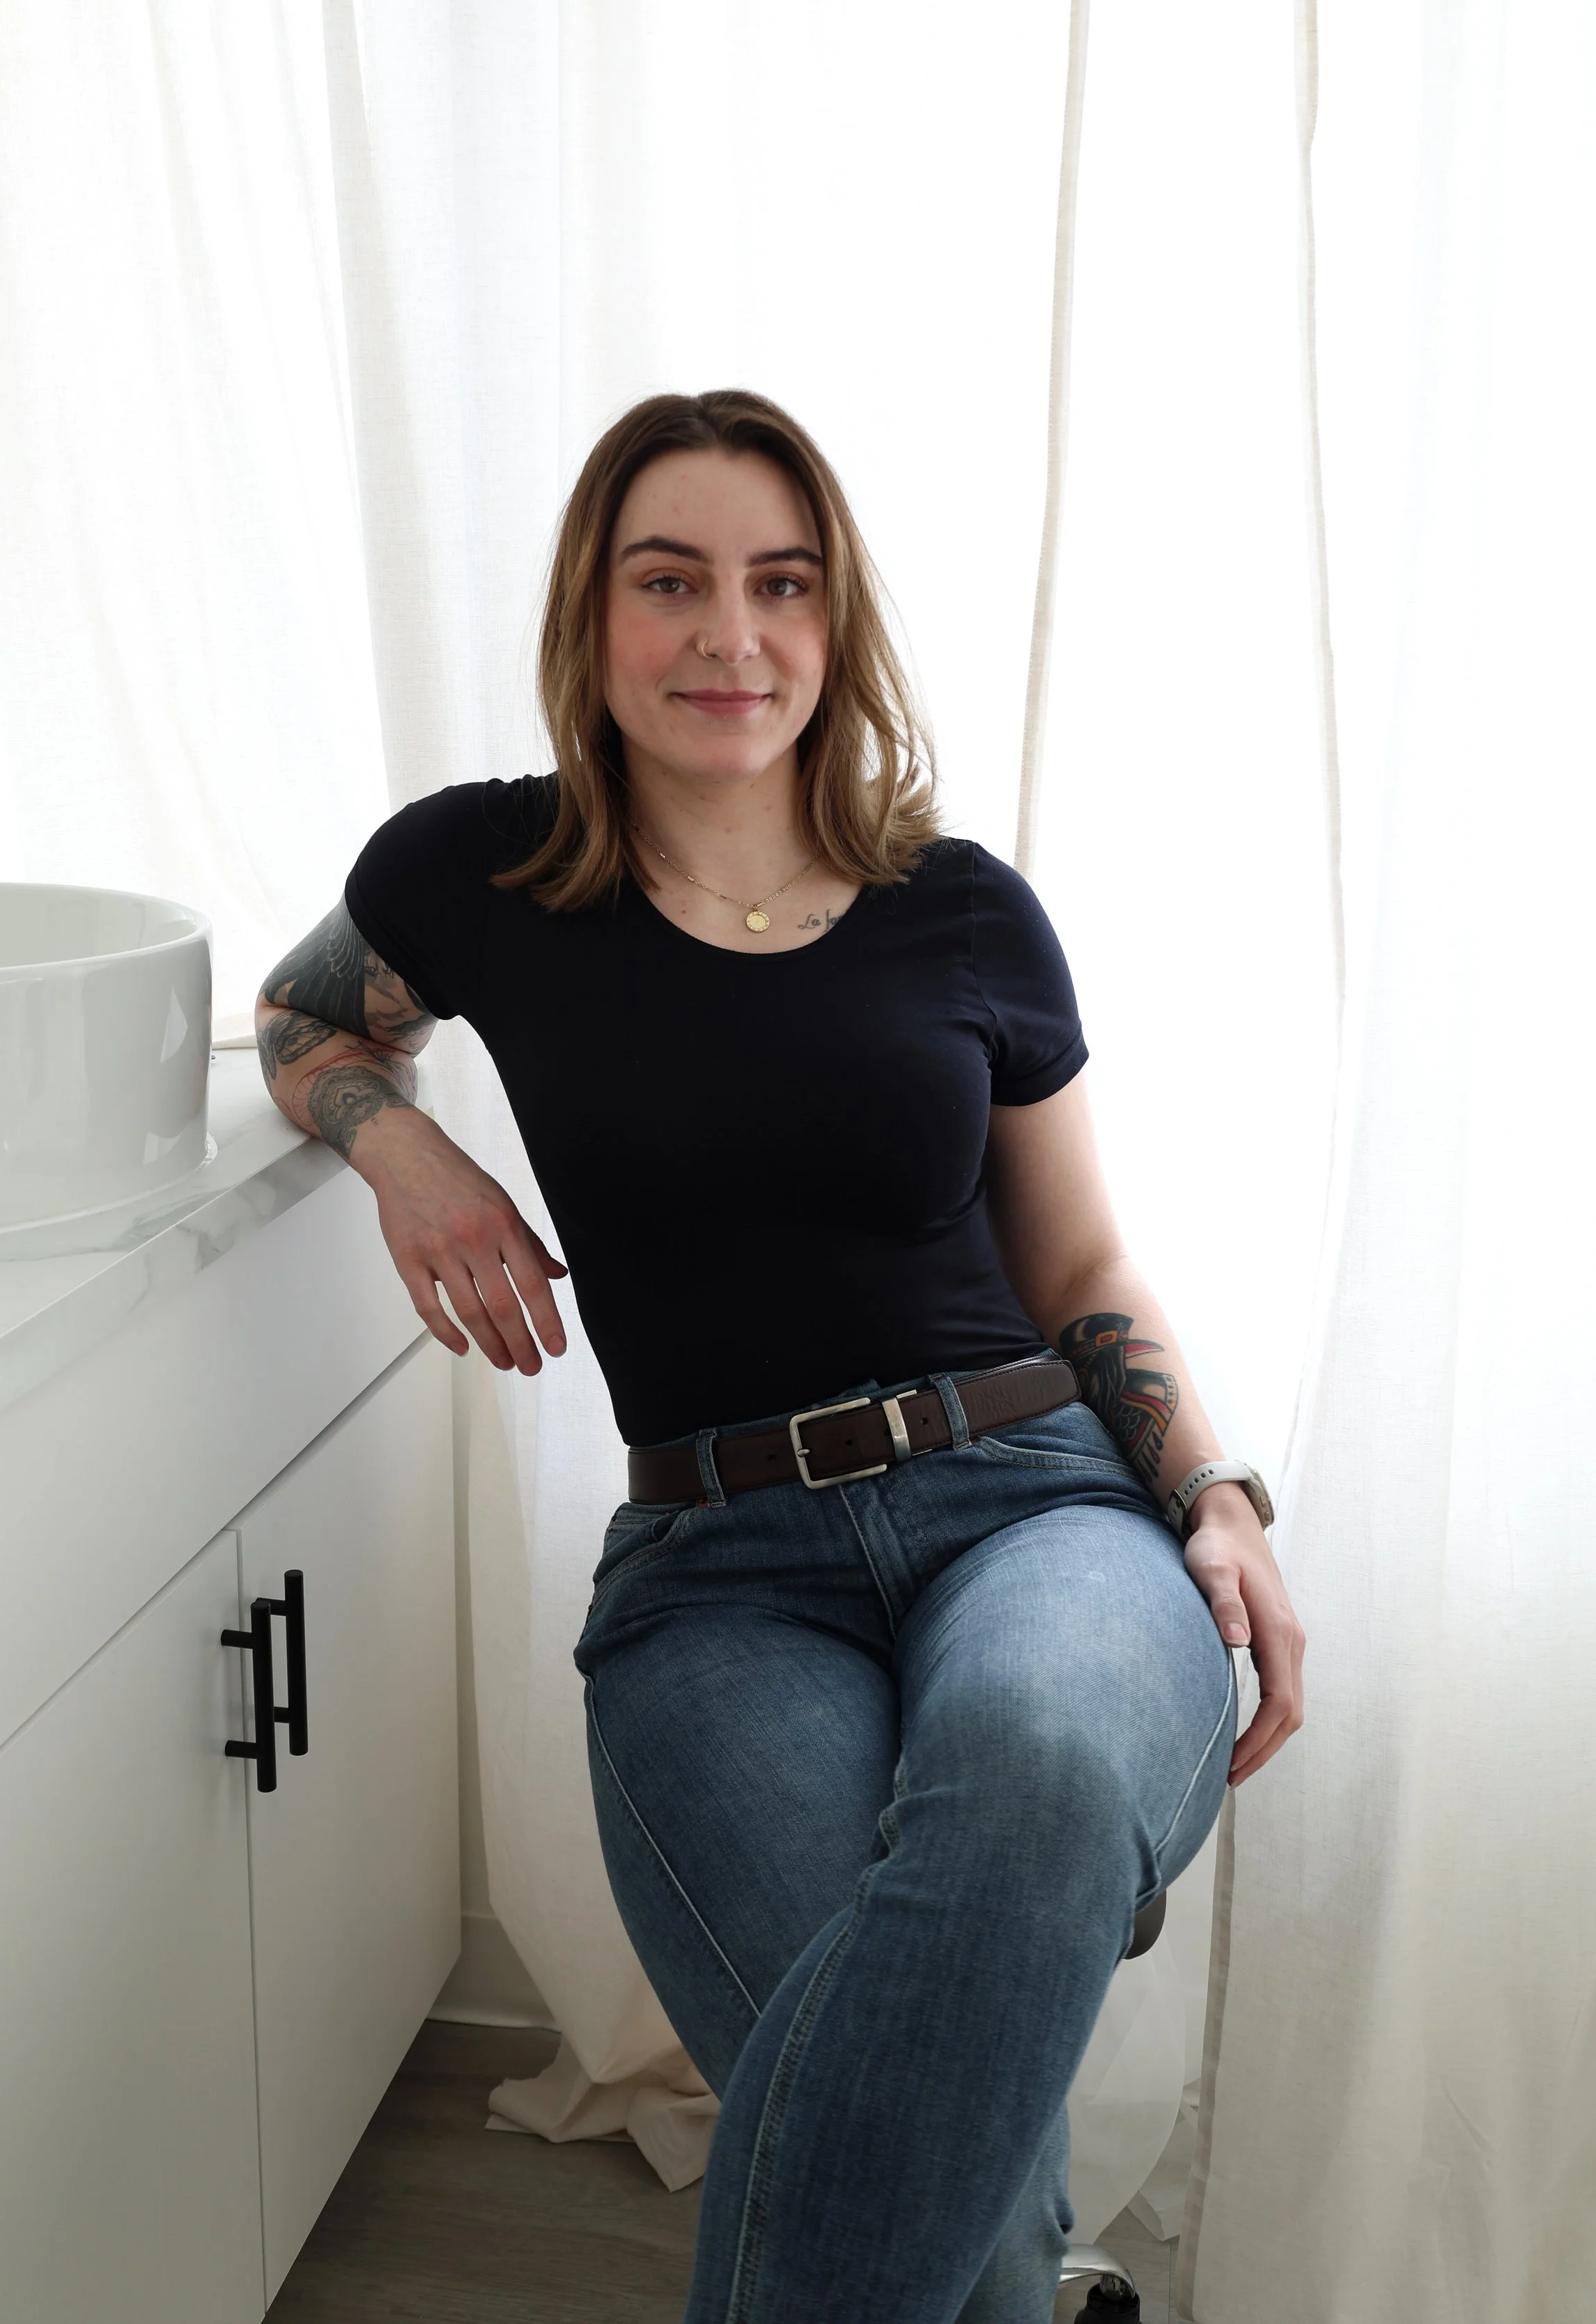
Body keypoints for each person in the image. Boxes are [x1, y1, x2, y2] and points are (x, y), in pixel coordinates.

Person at [254, 389, 1305, 2324]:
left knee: (1037, 1768)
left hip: (1033, 1503)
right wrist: (400, 1143)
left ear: (835, 626)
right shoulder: (479, 873)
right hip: (718, 1575)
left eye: (781, 583)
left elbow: (1076, 1256)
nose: (729, 634)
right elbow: (303, 1018)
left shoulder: (963, 908)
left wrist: (1213, 1491)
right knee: (950, 2173)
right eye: (672, 581)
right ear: (592, 615)